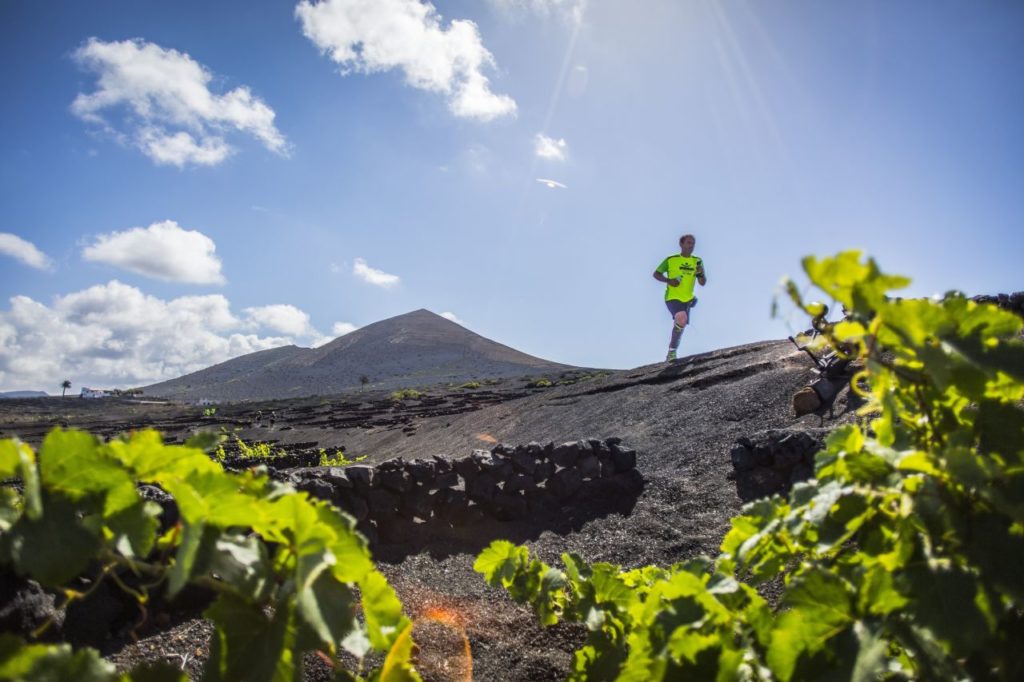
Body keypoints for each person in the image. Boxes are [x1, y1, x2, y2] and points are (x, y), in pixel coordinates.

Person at [653, 234, 706, 361]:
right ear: (681, 244)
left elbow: (703, 282)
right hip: (672, 297)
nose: (691, 245)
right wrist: (669, 281)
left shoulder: (697, 261)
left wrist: (700, 273)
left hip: (687, 299)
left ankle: (672, 349)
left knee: (681, 323)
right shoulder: (671, 260)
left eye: (693, 243)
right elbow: (656, 274)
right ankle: (672, 352)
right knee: (682, 318)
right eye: (688, 243)